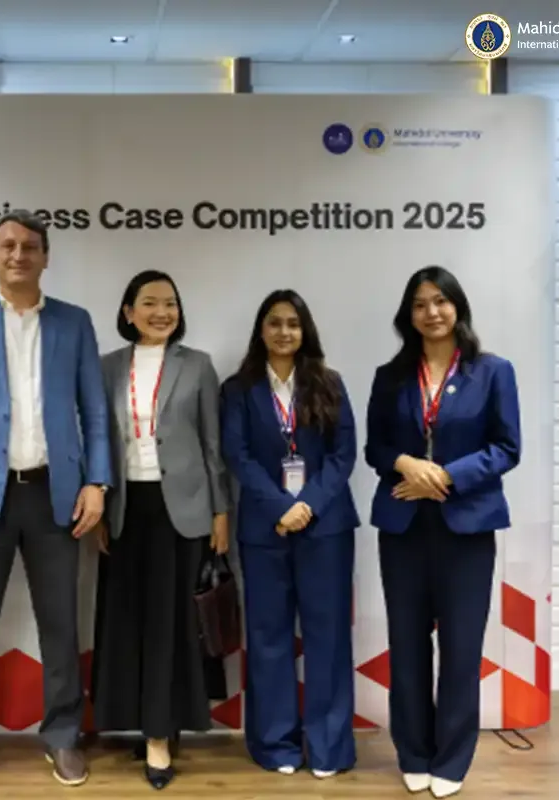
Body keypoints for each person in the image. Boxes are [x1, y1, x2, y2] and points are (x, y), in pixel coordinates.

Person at [0, 209, 112, 792]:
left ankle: (62, 735)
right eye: (7, 245)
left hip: (57, 494)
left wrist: (97, 482)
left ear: (45, 257)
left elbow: (94, 412)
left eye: (30, 246)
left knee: (60, 623)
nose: (18, 255)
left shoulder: (74, 323)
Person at [364, 266, 520, 799]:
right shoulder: (390, 376)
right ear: (407, 315)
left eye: (440, 301)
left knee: (461, 648)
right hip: (403, 526)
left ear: (457, 306)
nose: (431, 312)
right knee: (406, 646)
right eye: (420, 304)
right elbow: (375, 447)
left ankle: (452, 758)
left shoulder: (493, 371)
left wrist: (446, 476)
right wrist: (406, 463)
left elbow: (507, 448)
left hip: (467, 526)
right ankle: (413, 752)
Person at [89, 269, 229, 790]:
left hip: (183, 511)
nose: (161, 312)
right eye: (149, 303)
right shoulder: (106, 367)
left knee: (172, 624)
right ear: (129, 312)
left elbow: (213, 445)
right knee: (126, 622)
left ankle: (160, 735)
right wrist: (100, 506)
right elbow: (97, 441)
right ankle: (141, 719)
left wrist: (220, 512)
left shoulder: (198, 365)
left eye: (170, 303)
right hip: (126, 507)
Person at [220, 289, 359, 779]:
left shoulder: (329, 383)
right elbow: (237, 456)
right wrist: (282, 508)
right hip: (265, 529)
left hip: (326, 528)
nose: (284, 332)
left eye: (293, 324)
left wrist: (307, 505)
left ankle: (328, 748)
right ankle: (275, 745)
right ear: (261, 330)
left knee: (328, 637)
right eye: (275, 323)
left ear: (306, 331)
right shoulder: (238, 389)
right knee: (268, 638)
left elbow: (344, 455)